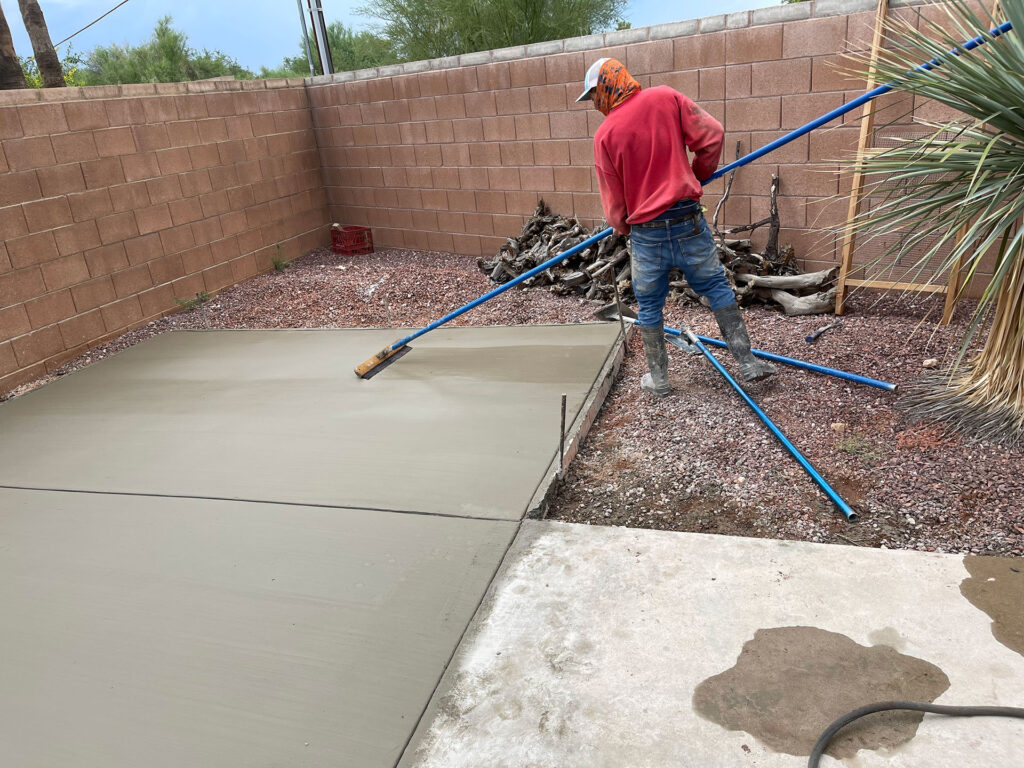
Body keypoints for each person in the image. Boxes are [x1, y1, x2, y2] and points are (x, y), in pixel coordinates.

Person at [578, 58, 776, 396]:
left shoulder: (605, 136)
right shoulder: (665, 98)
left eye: (594, 94)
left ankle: (659, 379)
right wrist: (698, 173)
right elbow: (712, 134)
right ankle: (747, 362)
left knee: (650, 304)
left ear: (607, 87)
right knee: (715, 287)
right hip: (687, 220)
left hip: (646, 234)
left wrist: (622, 227)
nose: (595, 103)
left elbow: (614, 204)